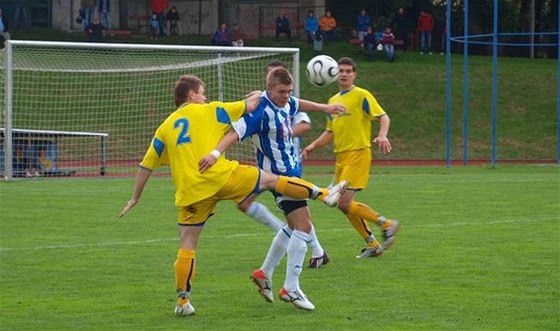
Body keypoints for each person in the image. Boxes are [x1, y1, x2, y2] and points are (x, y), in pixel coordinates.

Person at [118, 74, 347, 317]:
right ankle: (323, 194)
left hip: (191, 192)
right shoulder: (211, 110)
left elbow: (146, 166)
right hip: (222, 176)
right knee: (269, 179)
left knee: (187, 245)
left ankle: (183, 302)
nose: (205, 97)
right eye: (202, 93)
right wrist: (258, 94)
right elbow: (250, 105)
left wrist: (135, 197)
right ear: (192, 95)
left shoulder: (164, 128)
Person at [199, 67, 347, 311]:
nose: (286, 96)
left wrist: (325, 108)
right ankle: (291, 288)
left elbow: (299, 103)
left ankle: (264, 272)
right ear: (269, 89)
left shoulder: (287, 102)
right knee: (304, 226)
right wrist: (215, 153)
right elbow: (233, 133)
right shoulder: (259, 111)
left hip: (293, 172)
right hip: (279, 177)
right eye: (281, 92)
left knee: (293, 226)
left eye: (289, 91)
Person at [302, 57, 400, 259]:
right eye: (341, 70)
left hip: (359, 153)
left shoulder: (361, 95)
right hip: (341, 158)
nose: (344, 74)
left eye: (348, 71)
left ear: (354, 74)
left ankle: (387, 224)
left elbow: (383, 116)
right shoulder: (332, 101)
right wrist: (312, 145)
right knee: (341, 204)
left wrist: (382, 135)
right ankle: (373, 244)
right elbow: (330, 132)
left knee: (344, 202)